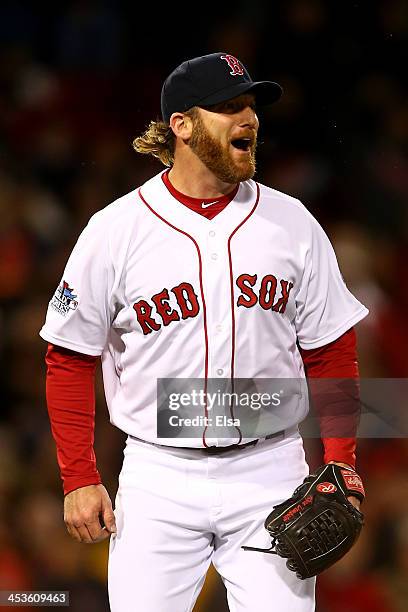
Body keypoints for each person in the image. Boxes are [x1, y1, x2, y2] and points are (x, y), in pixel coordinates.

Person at [40, 52, 369, 611]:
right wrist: (79, 477)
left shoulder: (292, 223)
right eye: (228, 106)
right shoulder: (115, 230)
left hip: (271, 471)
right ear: (182, 125)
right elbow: (69, 356)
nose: (249, 119)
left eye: (251, 106)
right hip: (157, 473)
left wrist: (341, 460)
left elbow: (331, 350)